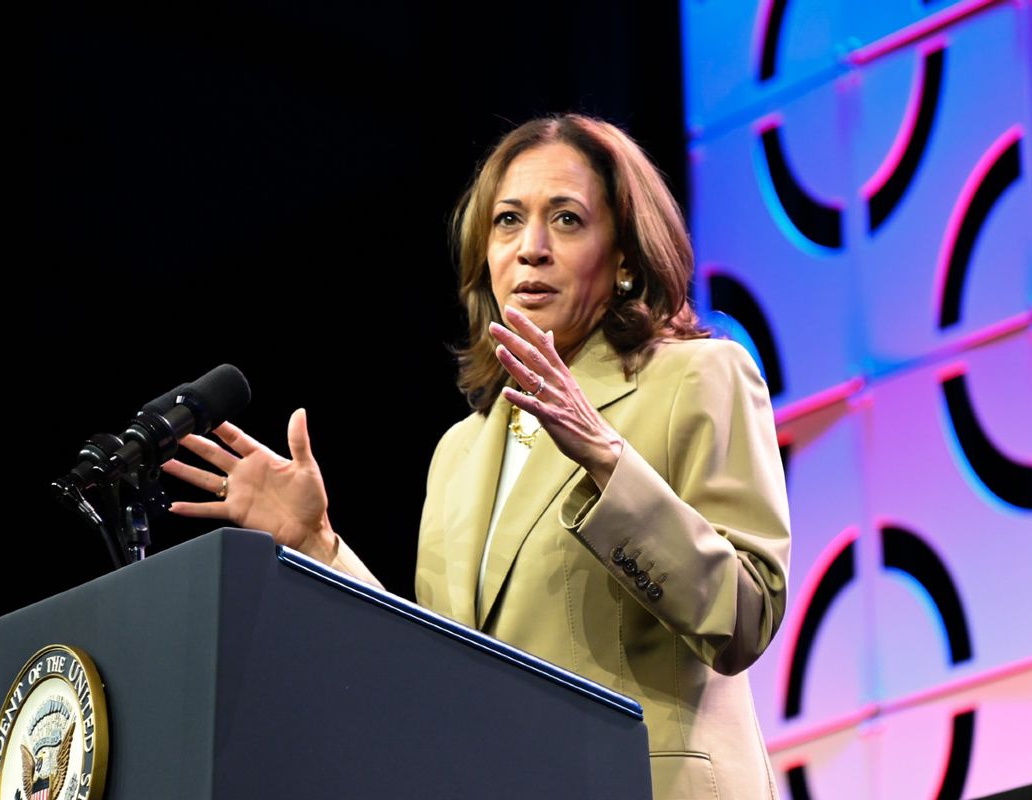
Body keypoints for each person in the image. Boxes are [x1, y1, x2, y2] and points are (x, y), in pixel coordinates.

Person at [164, 113, 791, 800]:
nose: (532, 249)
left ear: (625, 260)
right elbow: (441, 673)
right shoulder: (459, 454)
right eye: (508, 221)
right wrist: (319, 546)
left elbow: (745, 616)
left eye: (569, 220)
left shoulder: (698, 377)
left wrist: (608, 461)